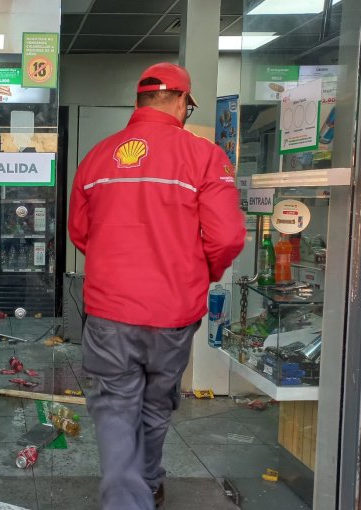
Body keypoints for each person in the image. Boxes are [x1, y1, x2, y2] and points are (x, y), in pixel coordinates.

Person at [68, 63, 245, 509]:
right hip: (172, 313)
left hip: (110, 312)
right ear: (183, 103)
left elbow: (80, 231)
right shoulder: (205, 156)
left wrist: (117, 264)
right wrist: (199, 272)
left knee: (114, 405)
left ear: (139, 101)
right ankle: (141, 489)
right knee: (155, 404)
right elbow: (225, 237)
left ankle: (130, 493)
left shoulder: (97, 157)